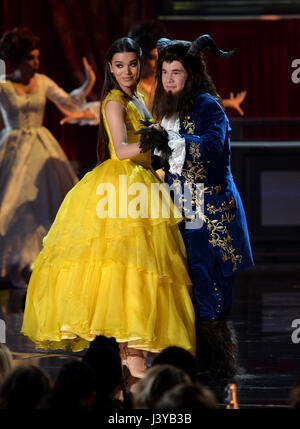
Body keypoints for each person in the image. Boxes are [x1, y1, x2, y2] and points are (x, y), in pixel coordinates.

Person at [21, 37, 196, 379]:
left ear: (140, 64)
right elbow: (120, 149)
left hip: (142, 182)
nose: (127, 71)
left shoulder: (139, 97)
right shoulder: (114, 101)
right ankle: (131, 359)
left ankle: (131, 359)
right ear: (110, 68)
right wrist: (154, 138)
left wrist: (157, 142)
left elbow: (145, 143)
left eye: (132, 64)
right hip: (123, 185)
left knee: (140, 268)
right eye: (119, 65)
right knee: (124, 266)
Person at [149, 34, 254, 379]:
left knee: (209, 277)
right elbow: (163, 158)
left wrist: (172, 142)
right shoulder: (167, 109)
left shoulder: (208, 106)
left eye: (176, 72)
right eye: (164, 72)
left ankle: (215, 360)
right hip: (181, 202)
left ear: (191, 75)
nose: (168, 79)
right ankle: (189, 354)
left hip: (209, 204)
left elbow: (213, 149)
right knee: (188, 275)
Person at [0, 27, 96, 288]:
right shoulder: (3, 86)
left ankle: (41, 265)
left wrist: (88, 84)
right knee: (12, 206)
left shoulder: (42, 81)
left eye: (37, 57)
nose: (36, 62)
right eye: (31, 58)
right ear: (18, 59)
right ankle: (12, 267)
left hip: (42, 148)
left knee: (45, 205)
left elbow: (69, 102)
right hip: (13, 148)